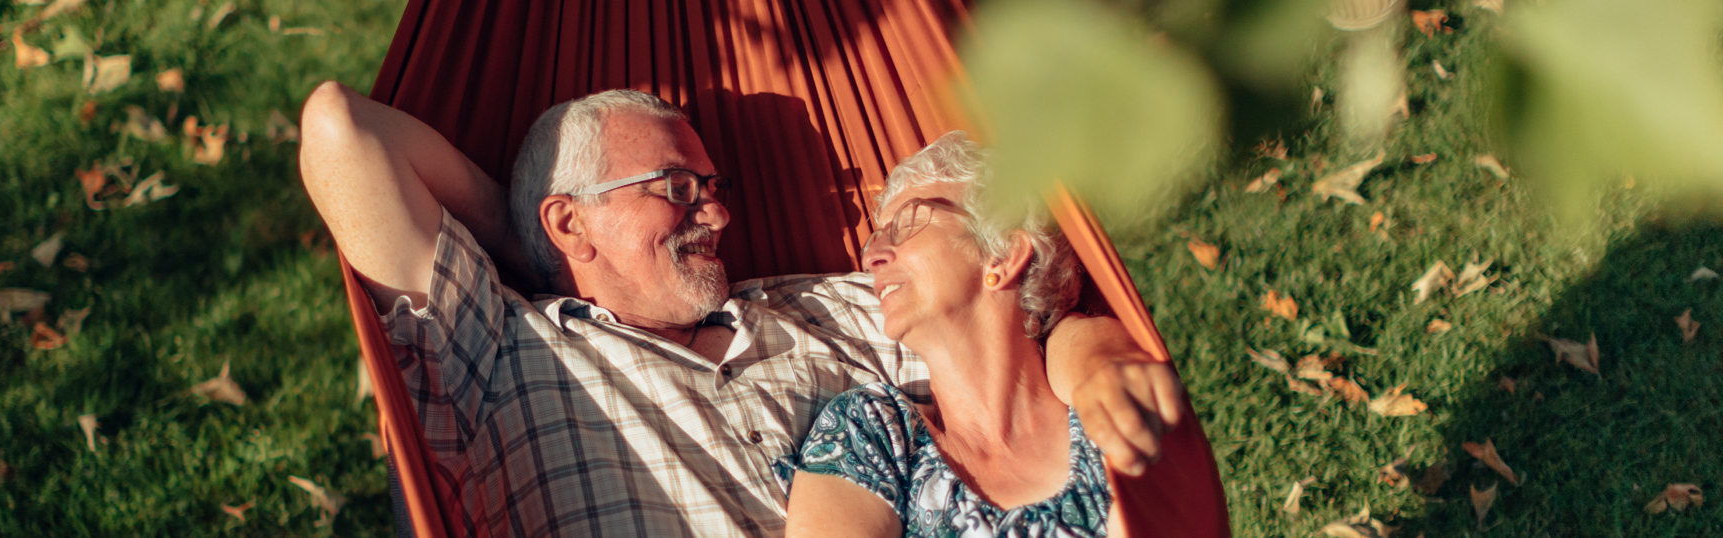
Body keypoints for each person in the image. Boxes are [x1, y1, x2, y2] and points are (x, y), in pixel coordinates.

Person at [298, 83, 1186, 536]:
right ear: (570, 218)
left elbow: (1018, 318)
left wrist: (1101, 364)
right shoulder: (495, 352)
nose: (717, 212)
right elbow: (342, 129)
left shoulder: (828, 311)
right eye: (676, 188)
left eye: (715, 187)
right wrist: (534, 246)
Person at [784, 132, 1111, 537]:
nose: (871, 257)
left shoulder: (1108, 403)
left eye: (906, 223)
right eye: (875, 237)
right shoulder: (870, 434)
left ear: (1004, 254)